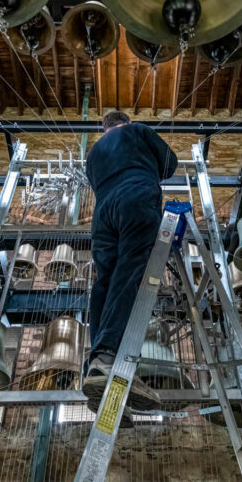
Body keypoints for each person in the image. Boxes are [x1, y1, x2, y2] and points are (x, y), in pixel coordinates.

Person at [82, 110, 178, 412]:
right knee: (131, 270)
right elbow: (169, 164)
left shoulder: (94, 154)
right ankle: (110, 356)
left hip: (103, 214)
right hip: (135, 195)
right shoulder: (137, 131)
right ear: (124, 122)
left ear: (105, 128)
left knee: (105, 282)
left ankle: (97, 364)